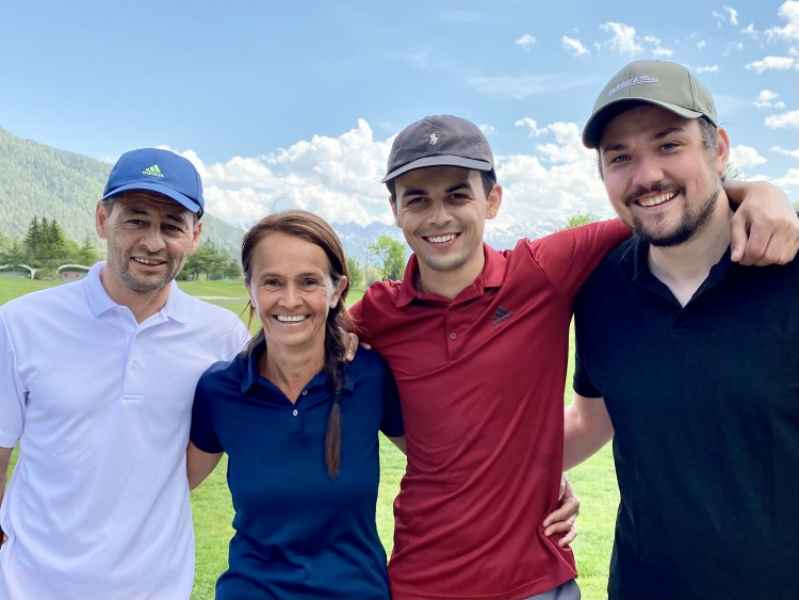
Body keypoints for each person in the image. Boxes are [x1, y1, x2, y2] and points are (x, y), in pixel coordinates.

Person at [349, 114, 799, 600]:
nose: (439, 216)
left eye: (458, 195)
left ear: (492, 200)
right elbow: (323, 343)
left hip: (538, 581)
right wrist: (524, 474)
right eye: (417, 199)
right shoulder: (376, 313)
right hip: (422, 581)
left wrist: (759, 194)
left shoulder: (542, 271)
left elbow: (658, 208)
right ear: (394, 209)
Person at [565, 60, 799, 599]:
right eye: (620, 157)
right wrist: (508, 477)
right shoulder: (599, 291)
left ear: (719, 149)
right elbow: (591, 421)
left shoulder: (789, 270)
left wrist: (764, 191)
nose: (647, 175)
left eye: (669, 145)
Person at [0, 148, 249, 599]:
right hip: (29, 585)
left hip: (157, 587)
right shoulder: (21, 323)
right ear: (102, 219)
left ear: (195, 235)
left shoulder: (222, 337)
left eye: (172, 226)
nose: (153, 242)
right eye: (136, 220)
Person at [187, 210, 405, 599]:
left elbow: (443, 465)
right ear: (250, 287)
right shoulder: (219, 390)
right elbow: (170, 487)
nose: (290, 300)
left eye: (308, 282)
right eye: (272, 282)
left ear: (337, 290)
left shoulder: (371, 376)